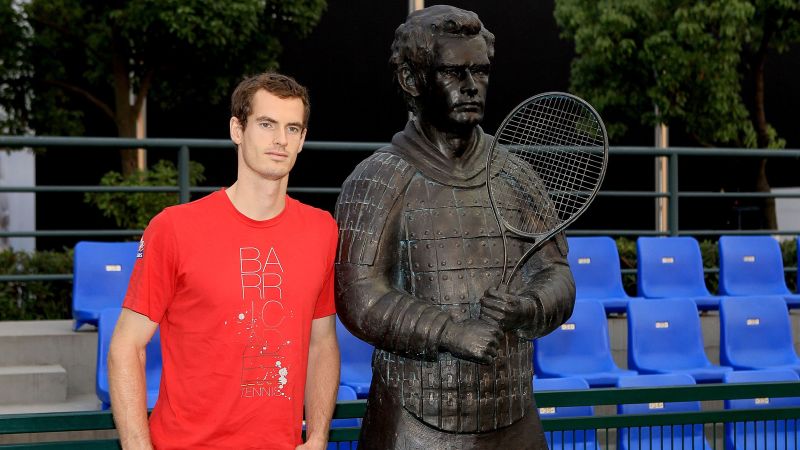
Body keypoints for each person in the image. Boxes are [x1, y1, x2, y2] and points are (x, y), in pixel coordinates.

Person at [334, 6, 575, 449]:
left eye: (480, 71)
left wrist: (528, 307)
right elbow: (359, 297)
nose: (470, 85)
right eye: (452, 72)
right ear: (411, 80)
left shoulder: (516, 175)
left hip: (512, 412)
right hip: (415, 420)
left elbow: (558, 274)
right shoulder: (376, 179)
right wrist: (449, 332)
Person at [109, 72, 340, 450]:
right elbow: (126, 346)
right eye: (266, 124)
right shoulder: (174, 228)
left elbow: (322, 342)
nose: (280, 139)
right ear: (237, 130)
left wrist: (317, 436)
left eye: (292, 128)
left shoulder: (322, 230)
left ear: (302, 139)